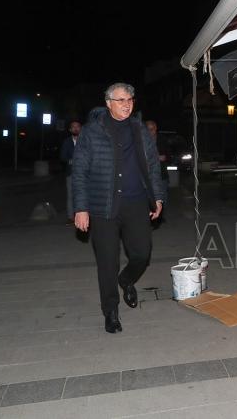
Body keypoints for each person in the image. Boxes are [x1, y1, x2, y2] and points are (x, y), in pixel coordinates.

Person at [72, 83, 166, 334]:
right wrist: (80, 208)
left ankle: (127, 280)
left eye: (130, 100)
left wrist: (158, 197)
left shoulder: (140, 130)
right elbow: (79, 172)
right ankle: (111, 311)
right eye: (121, 100)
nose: (127, 104)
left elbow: (153, 166)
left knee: (142, 253)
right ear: (108, 103)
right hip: (103, 206)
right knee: (107, 262)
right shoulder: (92, 132)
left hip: (136, 203)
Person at [59, 120, 81, 224]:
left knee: (83, 194)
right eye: (73, 127)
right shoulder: (67, 142)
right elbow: (63, 157)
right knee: (70, 195)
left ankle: (83, 215)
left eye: (77, 127)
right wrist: (70, 160)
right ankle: (70, 217)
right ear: (70, 129)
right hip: (71, 173)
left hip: (84, 174)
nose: (76, 128)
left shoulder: (85, 140)